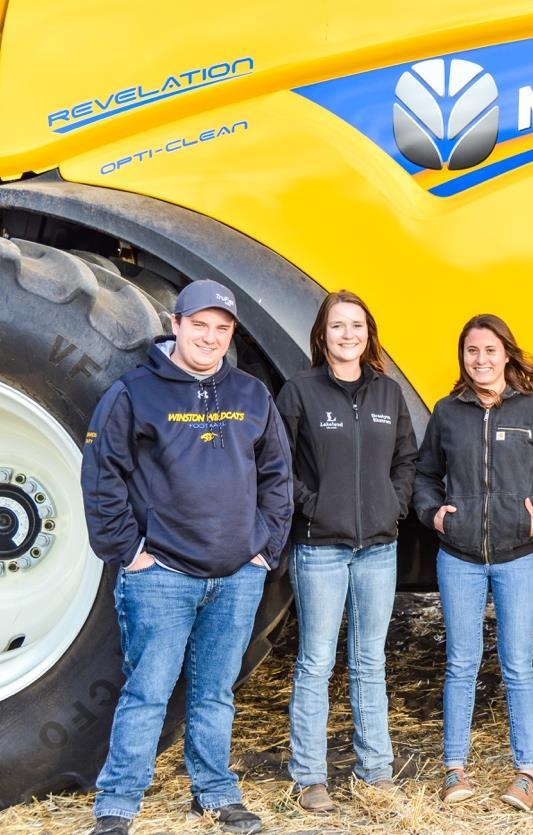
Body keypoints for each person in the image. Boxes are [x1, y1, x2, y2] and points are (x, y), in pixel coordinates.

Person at [81, 280, 292, 835]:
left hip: (236, 576)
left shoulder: (251, 395)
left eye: (222, 329)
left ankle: (215, 794)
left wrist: (264, 550)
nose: (210, 337)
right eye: (199, 325)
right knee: (147, 692)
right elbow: (102, 477)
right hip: (161, 575)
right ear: (175, 324)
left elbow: (278, 477)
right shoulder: (135, 393)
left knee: (215, 694)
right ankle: (118, 804)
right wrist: (129, 553)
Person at [412, 313, 533, 812]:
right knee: (461, 663)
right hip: (459, 557)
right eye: (472, 351)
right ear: (463, 357)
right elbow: (424, 474)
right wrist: (434, 514)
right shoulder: (447, 412)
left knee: (517, 664)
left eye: (490, 351)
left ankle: (525, 774)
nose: (480, 360)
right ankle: (454, 769)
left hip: (519, 557)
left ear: (506, 355)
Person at [274, 290, 418, 813]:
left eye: (356, 325)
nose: (347, 334)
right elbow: (277, 462)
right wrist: (311, 505)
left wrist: (393, 505)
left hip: (378, 548)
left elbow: (407, 460)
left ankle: (375, 771)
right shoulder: (300, 392)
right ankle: (310, 777)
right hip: (320, 549)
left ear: (368, 334)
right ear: (322, 334)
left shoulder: (388, 394)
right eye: (337, 326)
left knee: (369, 660)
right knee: (316, 661)